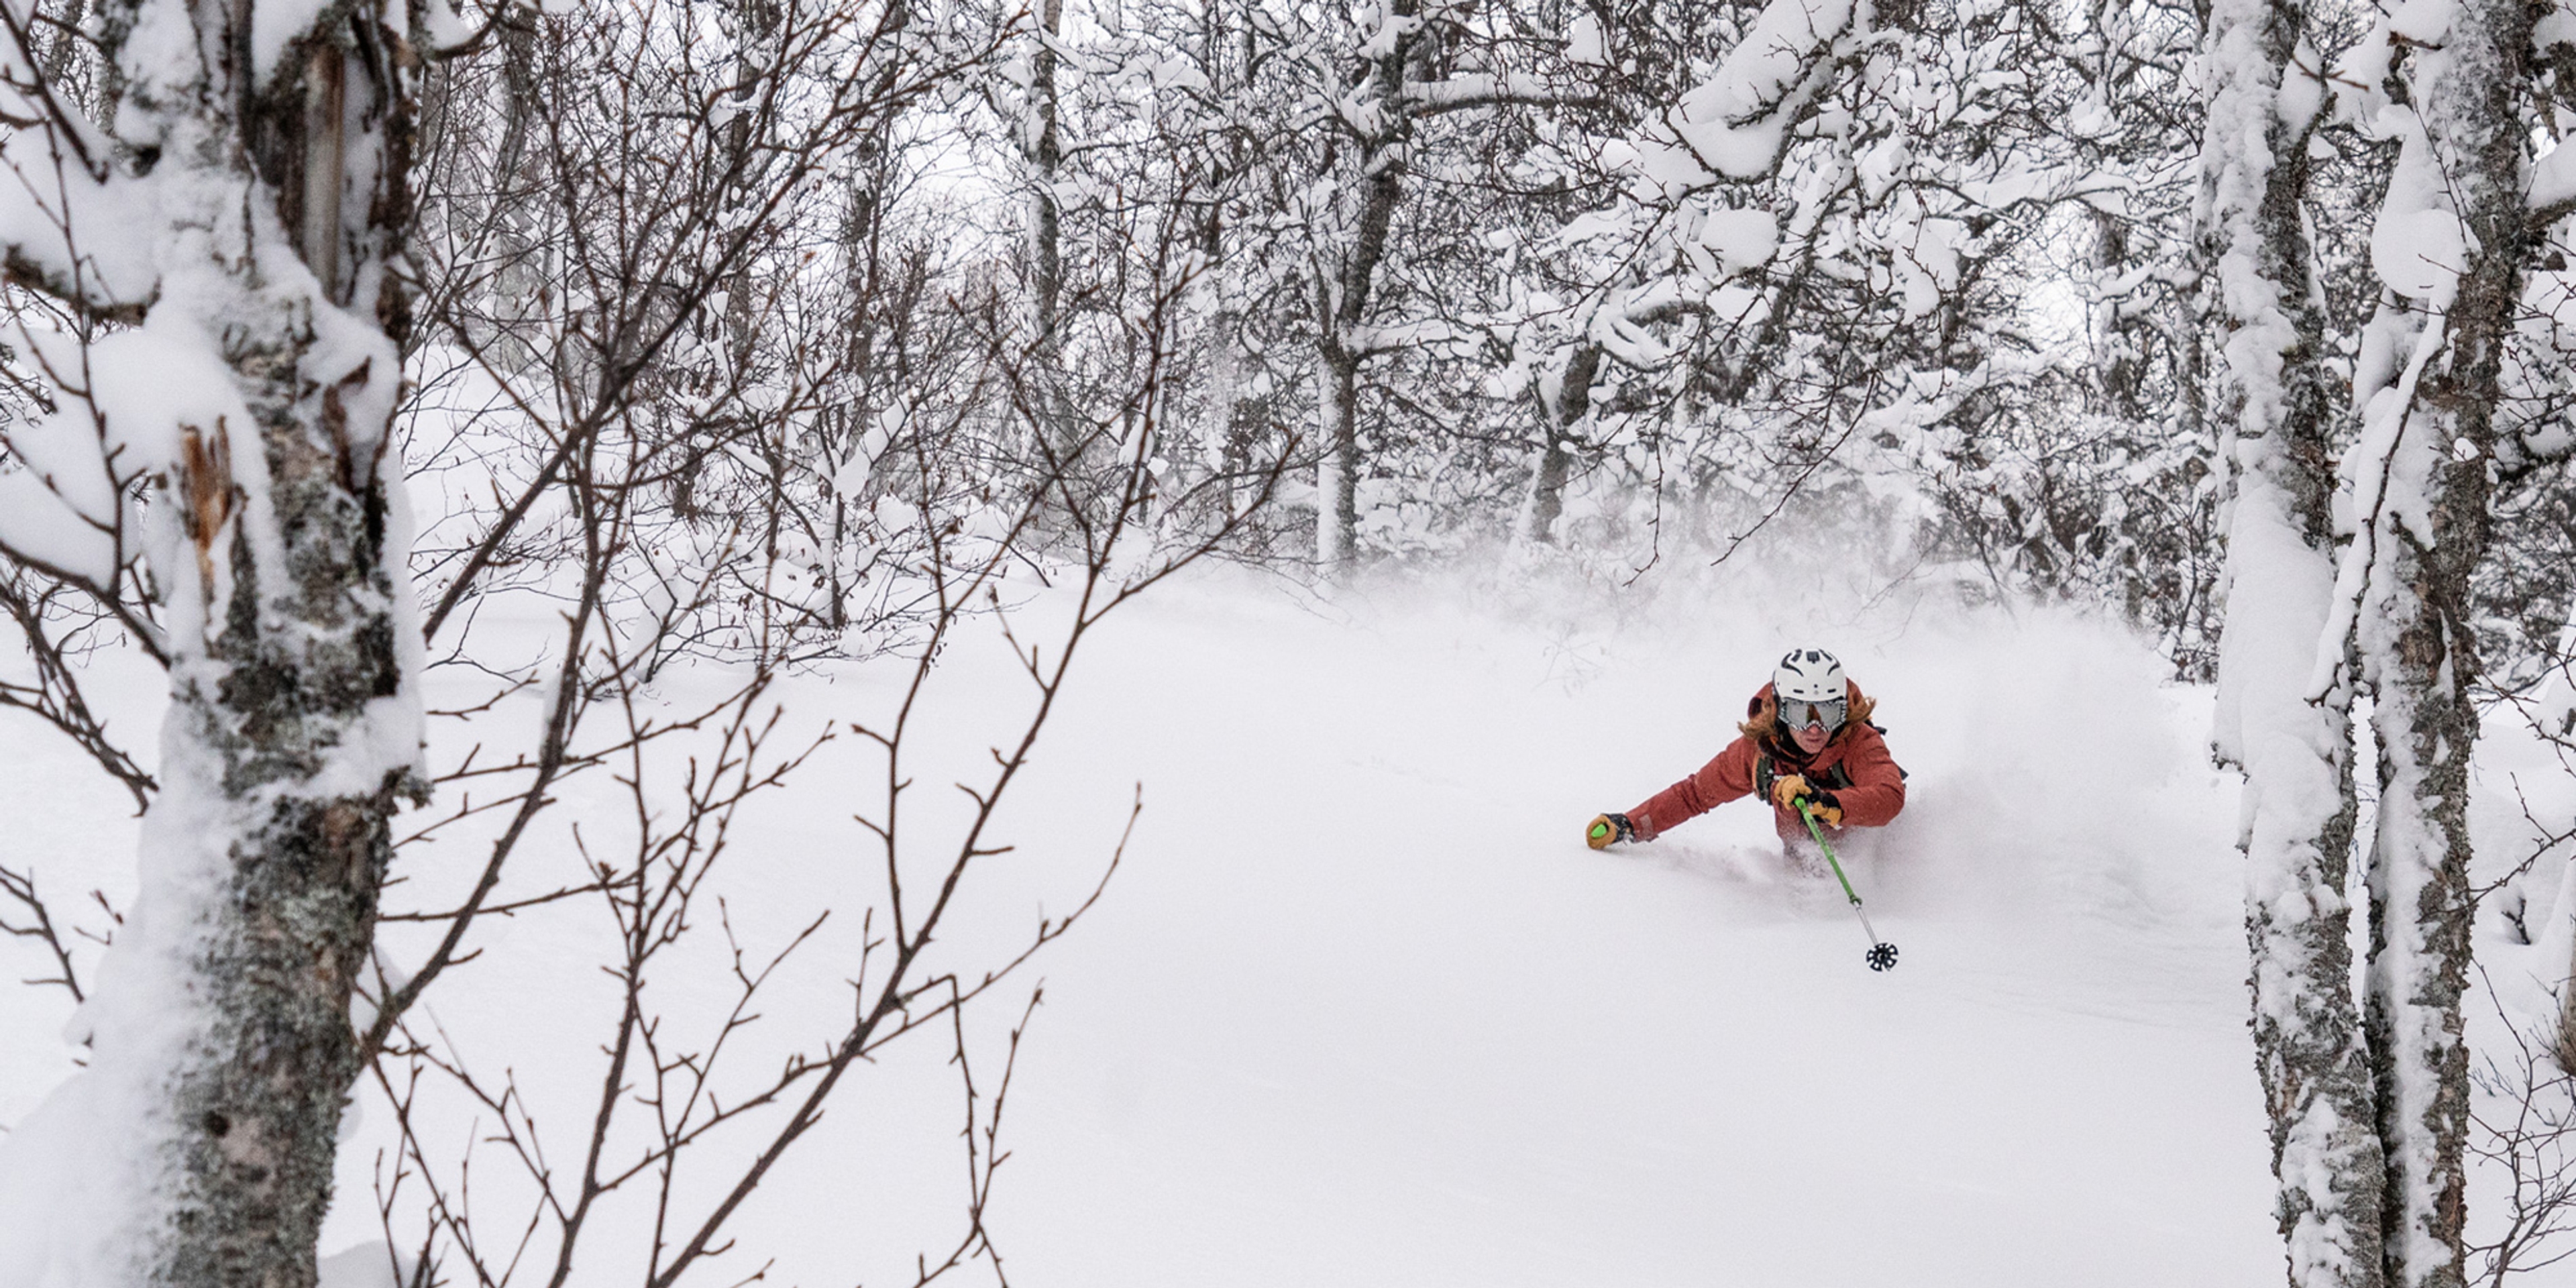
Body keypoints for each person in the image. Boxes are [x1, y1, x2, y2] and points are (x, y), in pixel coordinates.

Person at [1587, 648, 1905, 855]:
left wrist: (1826, 803)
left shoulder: (1859, 741)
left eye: (1828, 714)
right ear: (1780, 710)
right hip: (1800, 859)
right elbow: (1694, 795)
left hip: (1865, 851)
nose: (1815, 729)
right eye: (1801, 714)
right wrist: (1629, 825)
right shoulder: (1760, 752)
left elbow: (1890, 796)